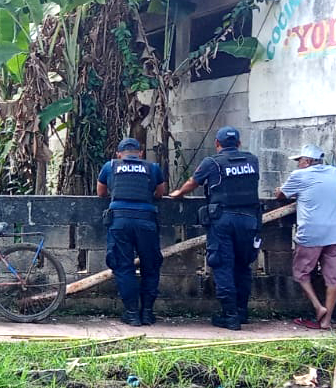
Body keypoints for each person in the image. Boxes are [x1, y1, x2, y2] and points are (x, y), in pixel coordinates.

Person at [168, 126, 261, 331]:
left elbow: (194, 182)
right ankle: (242, 312)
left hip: (223, 220)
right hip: (249, 219)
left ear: (217, 144)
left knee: (222, 266)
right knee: (243, 266)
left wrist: (179, 193)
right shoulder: (252, 160)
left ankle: (230, 316)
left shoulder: (212, 163)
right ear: (238, 143)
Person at [275, 144, 336, 330]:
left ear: (308, 161)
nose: (297, 165)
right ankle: (326, 321)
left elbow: (280, 195)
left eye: (299, 161)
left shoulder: (299, 175)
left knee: (301, 272)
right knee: (334, 278)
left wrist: (280, 189)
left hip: (312, 233)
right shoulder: (333, 172)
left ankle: (318, 306)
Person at [96, 137, 166, 326]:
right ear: (140, 153)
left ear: (119, 154)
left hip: (120, 221)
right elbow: (160, 193)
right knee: (150, 267)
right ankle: (148, 313)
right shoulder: (152, 168)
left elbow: (101, 192)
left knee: (124, 267)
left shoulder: (110, 166)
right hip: (146, 222)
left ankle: (132, 314)